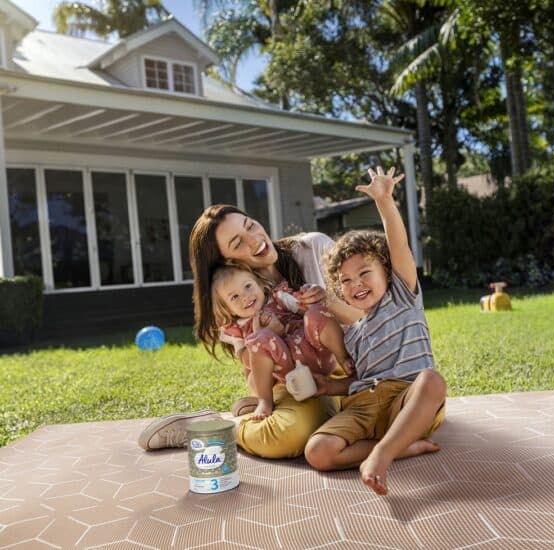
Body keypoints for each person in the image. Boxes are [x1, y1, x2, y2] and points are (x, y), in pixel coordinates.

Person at [138, 204, 361, 457]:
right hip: (297, 381)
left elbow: (371, 315)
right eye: (238, 243)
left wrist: (326, 301)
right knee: (287, 436)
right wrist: (266, 337)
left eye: (250, 226)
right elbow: (256, 377)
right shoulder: (240, 303)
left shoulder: (314, 249)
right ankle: (210, 429)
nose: (255, 240)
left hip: (353, 365)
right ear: (227, 262)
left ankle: (285, 410)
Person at [303, 167, 447, 496]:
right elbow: (327, 303)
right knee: (317, 452)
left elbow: (398, 245)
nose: (356, 285)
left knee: (432, 380)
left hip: (407, 400)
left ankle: (381, 455)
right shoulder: (353, 328)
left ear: (386, 270)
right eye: (346, 281)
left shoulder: (403, 297)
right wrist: (326, 385)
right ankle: (399, 447)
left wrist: (384, 202)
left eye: (364, 273)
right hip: (363, 404)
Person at [211, 263, 351, 420]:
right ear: (228, 309)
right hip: (287, 369)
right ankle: (265, 400)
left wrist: (306, 299)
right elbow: (246, 360)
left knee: (316, 312)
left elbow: (308, 312)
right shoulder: (239, 328)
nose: (245, 296)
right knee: (260, 339)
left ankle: (344, 358)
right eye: (234, 297)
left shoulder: (280, 298)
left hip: (315, 350)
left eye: (248, 286)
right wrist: (259, 334)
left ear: (261, 284)